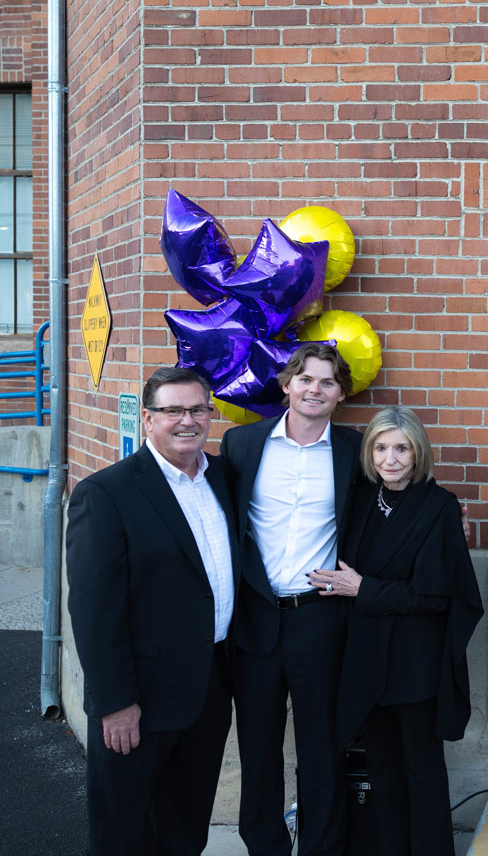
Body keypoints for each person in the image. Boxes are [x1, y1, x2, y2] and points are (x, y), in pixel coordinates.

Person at [66, 367, 238, 856]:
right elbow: (94, 611)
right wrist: (116, 702)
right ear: (147, 418)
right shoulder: (106, 494)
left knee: (185, 826)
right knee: (124, 831)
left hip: (209, 686)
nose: (188, 420)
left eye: (199, 409)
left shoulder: (222, 477)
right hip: (139, 697)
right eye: (173, 411)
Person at [310, 406, 483, 856]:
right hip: (367, 657)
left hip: (414, 664)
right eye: (381, 447)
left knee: (420, 769)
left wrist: (364, 589)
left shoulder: (439, 505)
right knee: (381, 766)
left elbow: (434, 596)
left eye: (401, 448)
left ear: (418, 452)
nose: (391, 458)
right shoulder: (363, 500)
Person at [220, 342, 359, 856]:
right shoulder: (242, 445)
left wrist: (446, 513)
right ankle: (265, 846)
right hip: (255, 616)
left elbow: (400, 487)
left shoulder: (354, 450)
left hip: (319, 617)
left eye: (327, 382)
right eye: (305, 379)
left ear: (341, 394)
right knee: (258, 748)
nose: (314, 389)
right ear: (286, 386)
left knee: (321, 747)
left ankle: (321, 847)